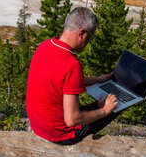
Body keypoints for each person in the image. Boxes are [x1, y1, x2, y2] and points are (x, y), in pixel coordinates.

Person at [26, 7, 118, 145]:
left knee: (99, 105)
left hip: (38, 125)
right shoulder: (71, 65)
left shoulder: (44, 46)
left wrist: (99, 80)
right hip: (60, 134)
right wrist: (105, 110)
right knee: (116, 106)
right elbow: (72, 120)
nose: (88, 43)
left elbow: (60, 81)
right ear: (82, 33)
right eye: (90, 38)